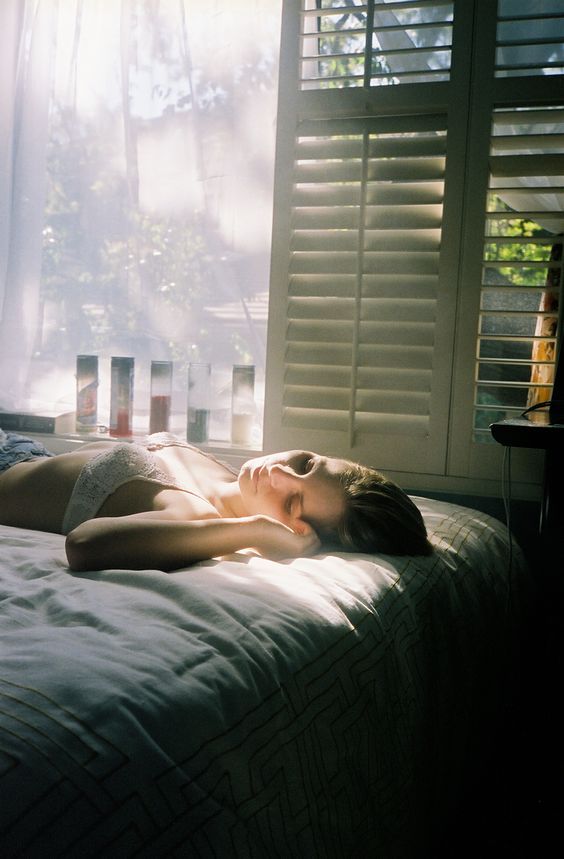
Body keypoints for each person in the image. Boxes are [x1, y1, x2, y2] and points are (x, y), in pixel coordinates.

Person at [0, 430, 432, 572]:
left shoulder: (195, 516)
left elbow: (84, 544)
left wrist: (255, 531)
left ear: (297, 529)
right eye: (304, 463)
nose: (278, 472)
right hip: (23, 448)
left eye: (292, 501)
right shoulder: (229, 480)